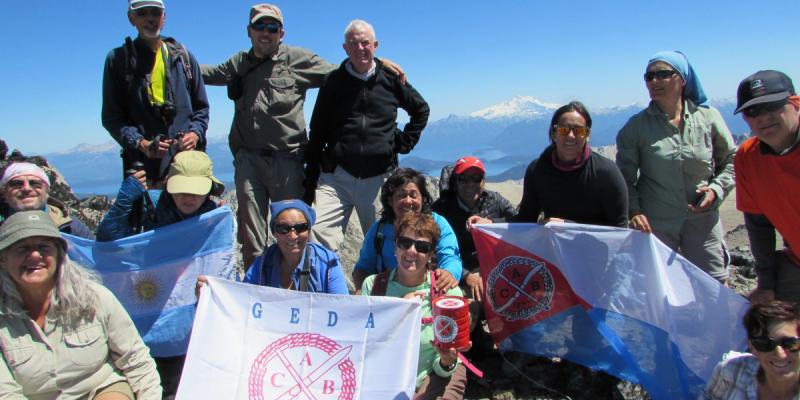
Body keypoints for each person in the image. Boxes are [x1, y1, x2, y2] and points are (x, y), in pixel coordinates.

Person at [201, 5, 406, 268]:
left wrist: (377, 62)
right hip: (248, 160)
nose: (266, 32)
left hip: (287, 162)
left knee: (292, 230)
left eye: (272, 27)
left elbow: (342, 72)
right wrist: (175, 57)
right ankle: (256, 292)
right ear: (249, 31)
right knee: (251, 236)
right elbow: (205, 74)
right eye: (260, 26)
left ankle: (295, 288)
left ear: (281, 32)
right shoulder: (239, 64)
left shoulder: (298, 59)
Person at [95, 150, 221, 397]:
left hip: (183, 320)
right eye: (182, 189)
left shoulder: (212, 216)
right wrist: (124, 201)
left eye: (197, 190)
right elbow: (107, 241)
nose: (189, 197)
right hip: (142, 307)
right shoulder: (147, 204)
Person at [0, 211, 161, 399]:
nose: (35, 255)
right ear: (3, 258)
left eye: (44, 247)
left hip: (100, 390)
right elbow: (6, 392)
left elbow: (136, 359)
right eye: (21, 248)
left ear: (60, 254)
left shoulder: (95, 297)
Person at [304, 19, 430, 254]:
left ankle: (382, 288)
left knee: (386, 247)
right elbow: (318, 129)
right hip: (337, 178)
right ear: (345, 48)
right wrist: (310, 181)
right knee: (316, 240)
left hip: (379, 179)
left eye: (365, 43)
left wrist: (403, 143)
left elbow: (421, 109)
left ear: (375, 45)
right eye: (353, 44)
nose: (360, 48)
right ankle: (323, 289)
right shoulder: (334, 81)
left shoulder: (391, 78)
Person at [616, 51, 736, 283]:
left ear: (682, 79)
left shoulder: (708, 118)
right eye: (649, 77)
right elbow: (624, 177)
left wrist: (716, 190)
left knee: (714, 286)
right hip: (655, 225)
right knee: (656, 288)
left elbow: (731, 159)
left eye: (663, 74)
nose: (654, 81)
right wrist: (635, 211)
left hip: (703, 222)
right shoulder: (636, 128)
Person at [102, 0, 209, 186]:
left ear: (164, 17)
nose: (150, 19)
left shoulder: (182, 56)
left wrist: (194, 134)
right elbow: (112, 118)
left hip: (186, 167)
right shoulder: (119, 60)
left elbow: (201, 108)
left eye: (155, 13)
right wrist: (142, 143)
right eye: (142, 13)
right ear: (131, 18)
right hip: (144, 171)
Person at [361, 213, 468, 399]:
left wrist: (445, 361)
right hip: (386, 376)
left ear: (431, 254)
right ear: (395, 246)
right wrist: (401, 310)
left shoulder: (449, 294)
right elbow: (366, 342)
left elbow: (445, 364)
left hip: (433, 374)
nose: (411, 251)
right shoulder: (373, 286)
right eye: (404, 242)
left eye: (422, 247)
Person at [732, 70, 800, 304]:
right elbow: (758, 224)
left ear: (795, 103)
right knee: (758, 321)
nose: (763, 117)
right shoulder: (747, 157)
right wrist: (766, 285)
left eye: (772, 106)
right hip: (796, 262)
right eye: (753, 111)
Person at [512, 101, 628, 227]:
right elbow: (525, 221)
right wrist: (490, 224)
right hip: (552, 246)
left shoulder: (606, 173)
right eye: (563, 130)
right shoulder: (537, 170)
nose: (571, 136)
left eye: (578, 130)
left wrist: (568, 226)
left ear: (588, 135)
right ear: (553, 133)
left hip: (596, 247)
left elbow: (619, 230)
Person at [353, 168, 461, 294]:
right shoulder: (379, 230)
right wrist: (362, 293)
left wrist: (449, 272)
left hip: (428, 293)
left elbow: (450, 256)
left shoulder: (438, 223)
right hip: (387, 295)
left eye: (413, 195)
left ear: (423, 199)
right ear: (390, 201)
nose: (408, 201)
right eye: (401, 195)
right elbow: (363, 268)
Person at [432, 156, 515, 301]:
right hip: (459, 272)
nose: (470, 184)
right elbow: (433, 252)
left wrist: (492, 223)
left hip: (496, 268)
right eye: (464, 179)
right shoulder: (442, 209)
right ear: (455, 183)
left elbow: (519, 223)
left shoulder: (495, 200)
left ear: (483, 181)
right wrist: (467, 276)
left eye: (476, 178)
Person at [238, 199, 348, 294]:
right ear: (274, 232)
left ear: (309, 230)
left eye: (301, 227)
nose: (292, 236)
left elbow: (341, 306)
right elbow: (245, 300)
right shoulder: (262, 263)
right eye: (283, 229)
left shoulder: (327, 263)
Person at [703, 300, 800, 399]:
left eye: (789, 343)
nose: (780, 354)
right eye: (765, 344)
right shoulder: (732, 370)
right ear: (752, 347)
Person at [0, 162, 94, 238]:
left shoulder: (73, 229)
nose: (26, 188)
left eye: (35, 183)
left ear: (47, 191)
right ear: (4, 192)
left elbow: (95, 259)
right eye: (17, 184)